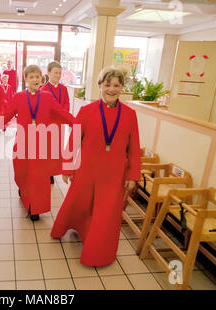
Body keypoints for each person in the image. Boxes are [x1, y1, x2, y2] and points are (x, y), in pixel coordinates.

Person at [50, 66, 141, 267]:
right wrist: (67, 169)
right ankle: (76, 228)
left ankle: (97, 253)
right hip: (86, 172)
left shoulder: (129, 115)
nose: (111, 89)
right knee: (80, 204)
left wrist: (133, 175)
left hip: (114, 175)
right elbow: (73, 142)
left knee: (105, 215)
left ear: (122, 88)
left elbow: (134, 148)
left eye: (116, 85)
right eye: (107, 85)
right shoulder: (86, 111)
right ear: (100, 86)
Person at [0, 65, 76, 221]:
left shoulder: (46, 97)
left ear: (41, 78)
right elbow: (5, 116)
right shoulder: (18, 97)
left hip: (41, 143)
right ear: (25, 79)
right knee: (22, 172)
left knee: (38, 176)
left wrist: (78, 123)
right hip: (23, 141)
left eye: (37, 76)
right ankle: (23, 190)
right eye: (31, 77)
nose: (35, 80)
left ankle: (35, 208)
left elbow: (62, 113)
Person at [41, 61, 70, 185]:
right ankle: (46, 172)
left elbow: (67, 103)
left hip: (60, 123)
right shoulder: (43, 89)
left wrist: (63, 113)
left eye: (60, 73)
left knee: (57, 149)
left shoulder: (63, 88)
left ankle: (52, 172)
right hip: (49, 124)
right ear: (48, 73)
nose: (58, 75)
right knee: (47, 149)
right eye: (55, 73)